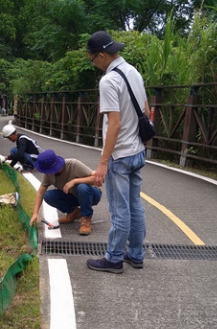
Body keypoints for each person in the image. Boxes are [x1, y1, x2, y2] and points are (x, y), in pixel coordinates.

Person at [85, 30, 149, 274]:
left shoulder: (109, 80)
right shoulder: (134, 72)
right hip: (138, 151)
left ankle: (113, 258)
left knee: (119, 208)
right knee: (135, 205)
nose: (95, 65)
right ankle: (136, 254)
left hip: (120, 155)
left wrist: (103, 162)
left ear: (101, 55)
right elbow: (145, 109)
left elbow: (114, 123)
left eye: (93, 60)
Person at [29, 149, 102, 236]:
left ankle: (86, 218)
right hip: (73, 196)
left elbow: (97, 179)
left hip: (91, 194)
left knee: (82, 187)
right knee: (48, 195)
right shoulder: (48, 175)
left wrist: (75, 181)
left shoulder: (73, 164)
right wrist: (35, 213)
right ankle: (74, 212)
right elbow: (40, 193)